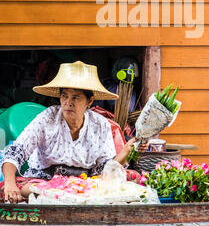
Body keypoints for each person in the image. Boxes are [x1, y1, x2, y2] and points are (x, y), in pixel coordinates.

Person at [0, 60, 146, 203]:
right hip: (44, 183)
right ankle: (66, 196)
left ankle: (68, 196)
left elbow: (106, 170)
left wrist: (126, 151)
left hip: (85, 184)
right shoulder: (48, 118)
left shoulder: (100, 125)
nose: (68, 102)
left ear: (89, 101)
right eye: (64, 96)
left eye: (75, 97)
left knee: (133, 177)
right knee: (8, 186)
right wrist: (10, 184)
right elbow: (16, 151)